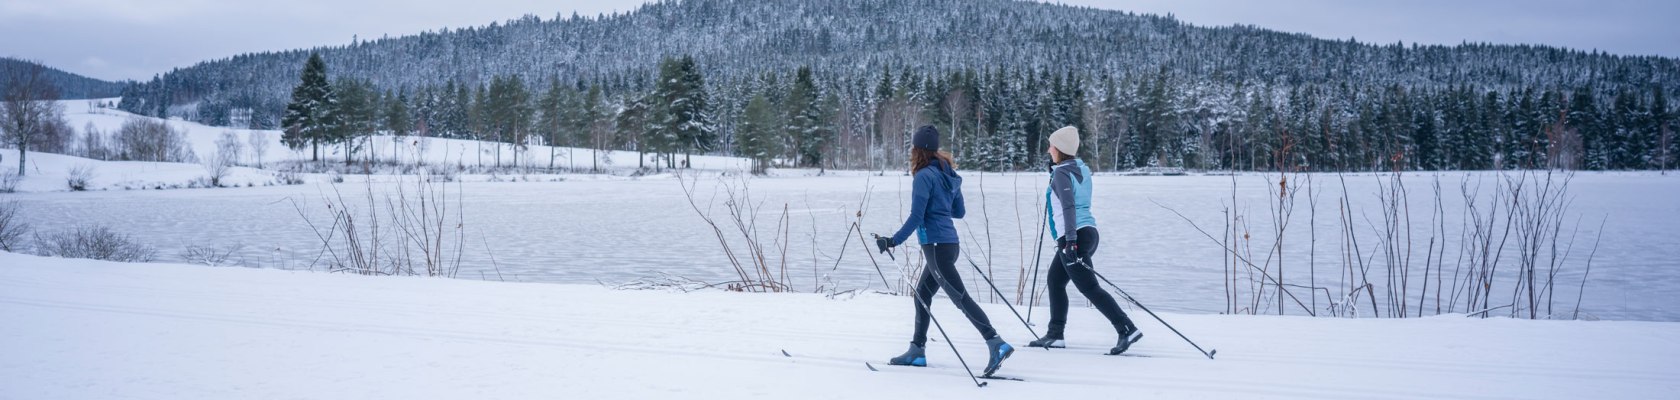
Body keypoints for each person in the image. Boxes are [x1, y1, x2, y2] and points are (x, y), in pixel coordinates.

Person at [875, 125, 1014, 376]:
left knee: (961, 298)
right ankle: (917, 351)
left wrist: (892, 241)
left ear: (918, 151)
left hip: (937, 247)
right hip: (949, 245)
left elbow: (916, 216)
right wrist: (939, 206)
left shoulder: (923, 177)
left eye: (912, 148)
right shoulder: (947, 173)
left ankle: (996, 342)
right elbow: (959, 212)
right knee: (921, 296)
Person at [1026, 126, 1142, 356]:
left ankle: (1126, 328)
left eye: (1051, 145)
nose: (1048, 149)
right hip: (1087, 232)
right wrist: (1055, 174)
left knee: (1089, 287)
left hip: (1074, 235)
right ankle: (1055, 334)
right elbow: (1072, 196)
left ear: (1059, 148)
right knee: (1055, 281)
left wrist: (1070, 242)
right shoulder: (1080, 168)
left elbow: (1068, 206)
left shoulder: (1061, 173)